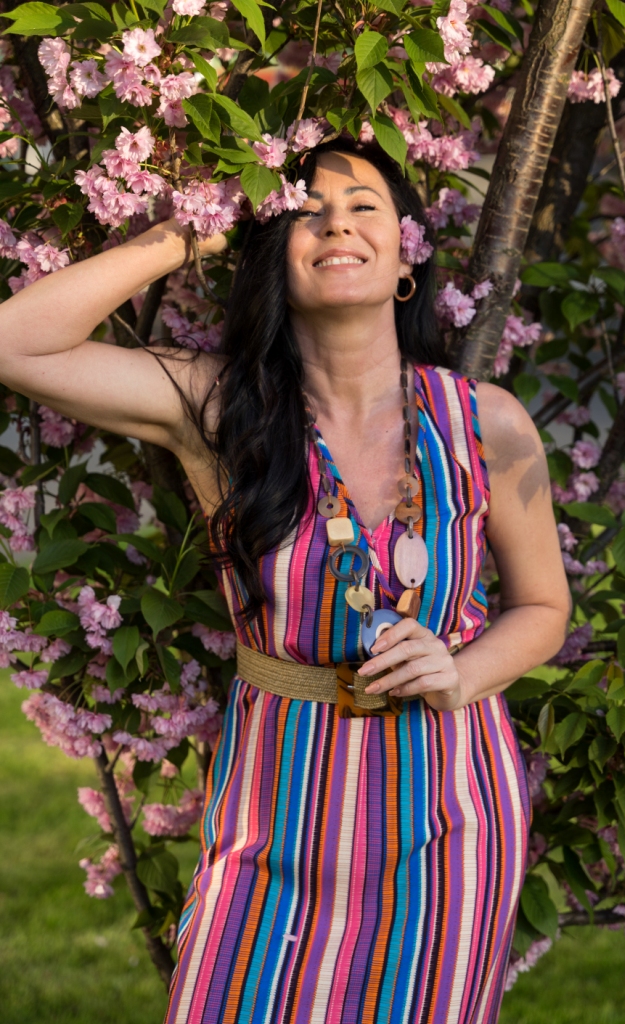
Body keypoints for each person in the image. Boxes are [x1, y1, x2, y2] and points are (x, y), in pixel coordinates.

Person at [0, 138, 571, 1023]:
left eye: (364, 207)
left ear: (406, 256)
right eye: (306, 211)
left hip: (449, 818)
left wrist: (461, 673)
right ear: (272, 252)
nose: (337, 224)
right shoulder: (219, 408)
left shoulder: (484, 423)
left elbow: (542, 607)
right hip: (275, 818)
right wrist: (192, 230)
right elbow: (15, 343)